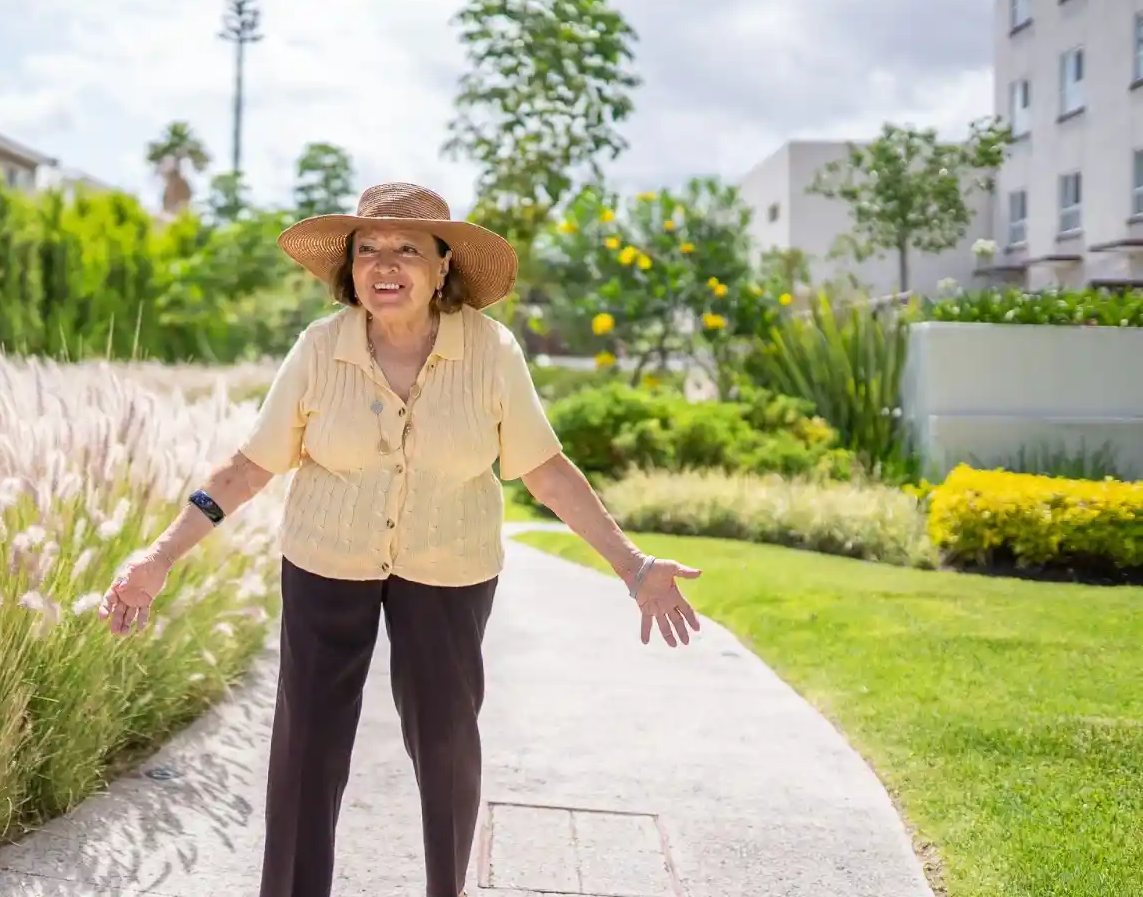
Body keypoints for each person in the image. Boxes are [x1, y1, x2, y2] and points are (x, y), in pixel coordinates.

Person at [97, 181, 703, 897]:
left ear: (444, 265)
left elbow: (545, 470)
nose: (384, 265)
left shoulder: (491, 351)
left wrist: (632, 567)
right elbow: (248, 465)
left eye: (407, 250)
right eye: (368, 250)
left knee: (446, 742)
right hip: (327, 559)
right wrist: (160, 554)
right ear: (348, 268)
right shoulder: (319, 350)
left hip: (450, 566)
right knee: (307, 748)